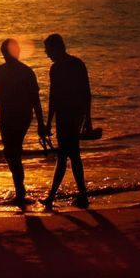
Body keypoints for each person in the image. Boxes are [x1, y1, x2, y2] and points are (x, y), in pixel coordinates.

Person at [0, 38, 44, 208]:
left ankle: (20, 191)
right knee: (11, 153)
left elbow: (34, 99)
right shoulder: (17, 71)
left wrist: (41, 123)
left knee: (12, 152)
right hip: (12, 116)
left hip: (18, 117)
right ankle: (20, 189)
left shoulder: (18, 72)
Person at [40, 33, 92, 210]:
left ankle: (52, 197)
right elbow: (56, 97)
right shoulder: (72, 65)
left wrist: (88, 120)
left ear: (56, 48)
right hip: (71, 115)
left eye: (48, 50)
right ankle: (81, 195)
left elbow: (84, 93)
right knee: (72, 154)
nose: (47, 54)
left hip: (70, 116)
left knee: (64, 155)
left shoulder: (70, 66)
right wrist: (48, 123)